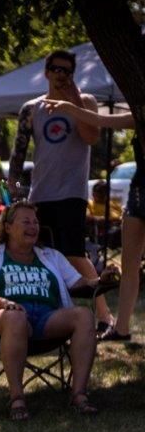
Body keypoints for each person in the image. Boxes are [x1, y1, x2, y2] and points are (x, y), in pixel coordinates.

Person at [0, 201, 115, 420]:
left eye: (35, 222)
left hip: (47, 318)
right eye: (26, 221)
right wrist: (2, 303)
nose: (33, 226)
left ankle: (79, 395)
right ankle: (17, 399)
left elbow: (78, 284)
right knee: (16, 317)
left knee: (84, 315)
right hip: (5, 318)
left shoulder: (51, 256)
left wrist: (100, 279)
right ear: (7, 227)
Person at [7, 50, 114, 330]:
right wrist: (17, 193)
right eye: (55, 69)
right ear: (46, 72)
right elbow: (17, 157)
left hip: (72, 193)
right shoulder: (32, 108)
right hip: (40, 196)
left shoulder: (86, 102)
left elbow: (91, 137)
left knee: (75, 254)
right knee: (42, 255)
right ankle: (49, 313)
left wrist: (74, 100)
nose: (60, 74)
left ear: (73, 74)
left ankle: (104, 317)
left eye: (67, 70)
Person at [43, 98, 143, 342]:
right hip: (139, 192)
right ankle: (121, 329)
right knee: (129, 264)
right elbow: (101, 120)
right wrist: (71, 109)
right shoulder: (139, 114)